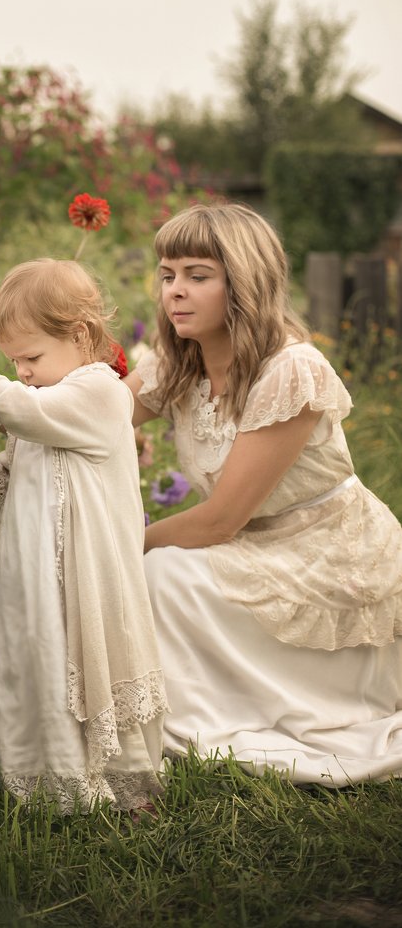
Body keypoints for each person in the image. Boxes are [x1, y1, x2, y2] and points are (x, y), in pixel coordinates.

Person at [123, 202, 402, 786]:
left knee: (162, 572)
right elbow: (93, 420)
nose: (175, 291)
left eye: (198, 275)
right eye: (168, 274)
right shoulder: (176, 362)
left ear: (244, 283)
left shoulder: (290, 370)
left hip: (326, 552)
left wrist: (120, 542)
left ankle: (273, 705)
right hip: (256, 545)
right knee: (162, 571)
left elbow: (219, 521)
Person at [0, 258, 168, 813]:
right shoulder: (41, 404)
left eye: (31, 357)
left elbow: (20, 409)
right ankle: (37, 777)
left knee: (74, 661)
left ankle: (113, 784)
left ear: (81, 334)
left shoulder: (98, 394)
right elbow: (6, 482)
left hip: (78, 579)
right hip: (29, 576)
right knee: (33, 662)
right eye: (13, 361)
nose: (21, 371)